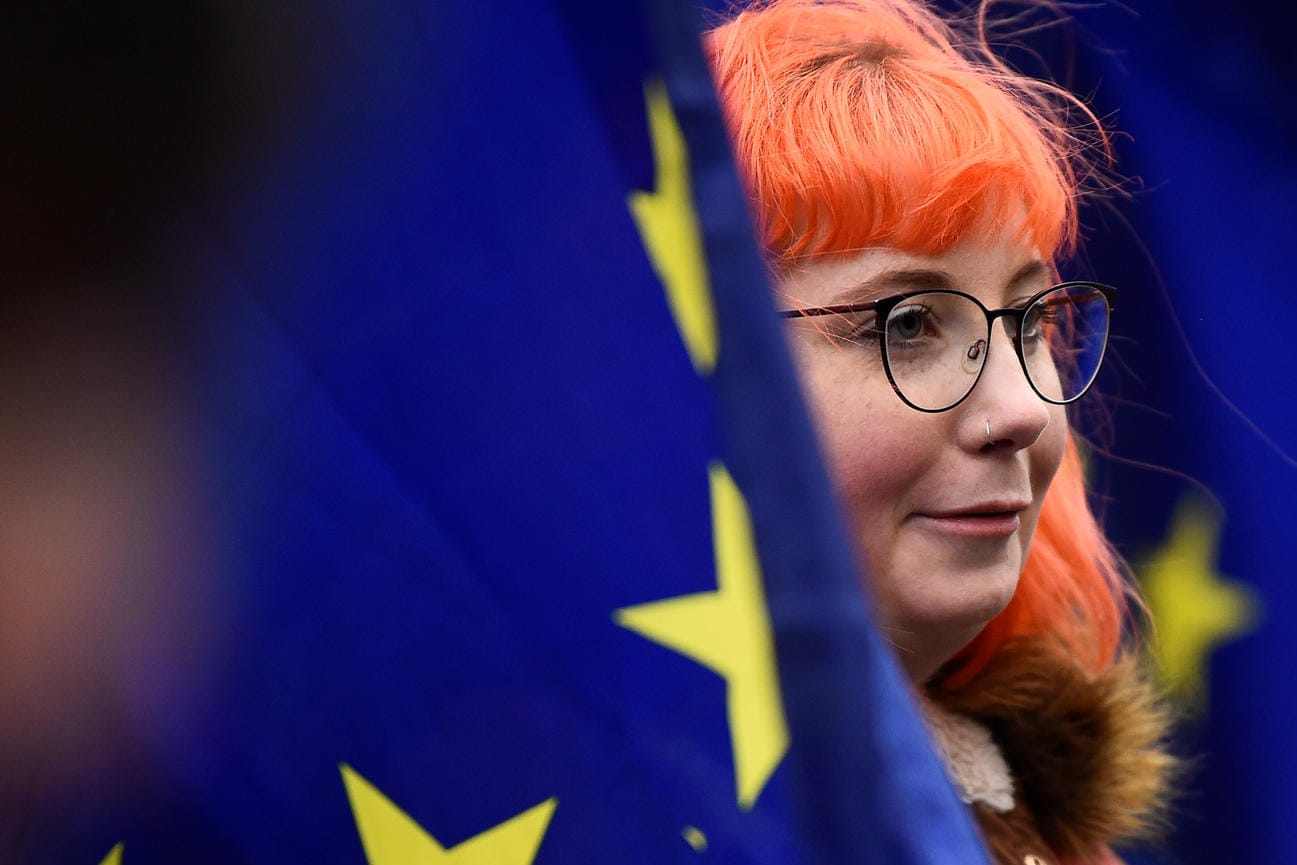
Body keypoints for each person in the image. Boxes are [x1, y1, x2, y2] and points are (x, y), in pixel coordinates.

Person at [704, 2, 1177, 863]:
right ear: (688, 365)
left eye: (1029, 322)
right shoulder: (583, 798)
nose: (1023, 409)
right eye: (910, 323)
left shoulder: (1049, 824)